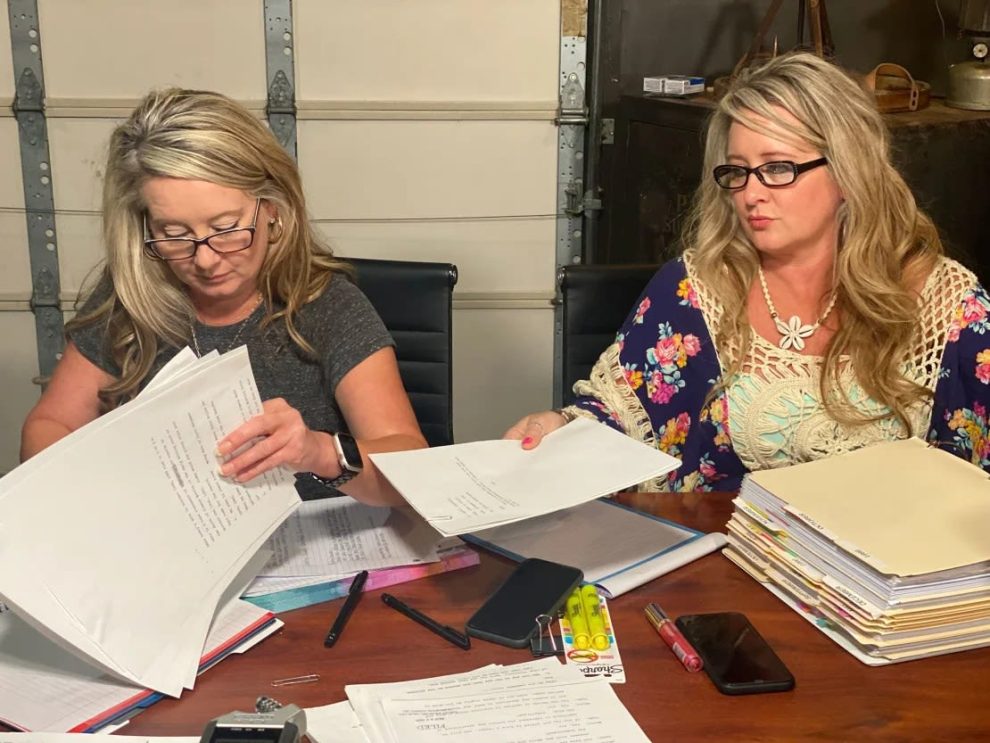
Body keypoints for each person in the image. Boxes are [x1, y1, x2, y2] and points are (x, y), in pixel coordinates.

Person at [505, 52, 990, 492]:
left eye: (778, 168)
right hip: (736, 569)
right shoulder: (695, 289)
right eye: (737, 171)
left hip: (890, 578)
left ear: (848, 171)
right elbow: (622, 417)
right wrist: (560, 427)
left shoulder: (945, 304)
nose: (750, 194)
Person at [20, 88, 426, 506]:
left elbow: (412, 465)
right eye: (174, 235)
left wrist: (320, 452)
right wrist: (91, 498)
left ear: (272, 208)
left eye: (227, 228)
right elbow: (50, 423)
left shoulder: (327, 305)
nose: (206, 260)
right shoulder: (131, 294)